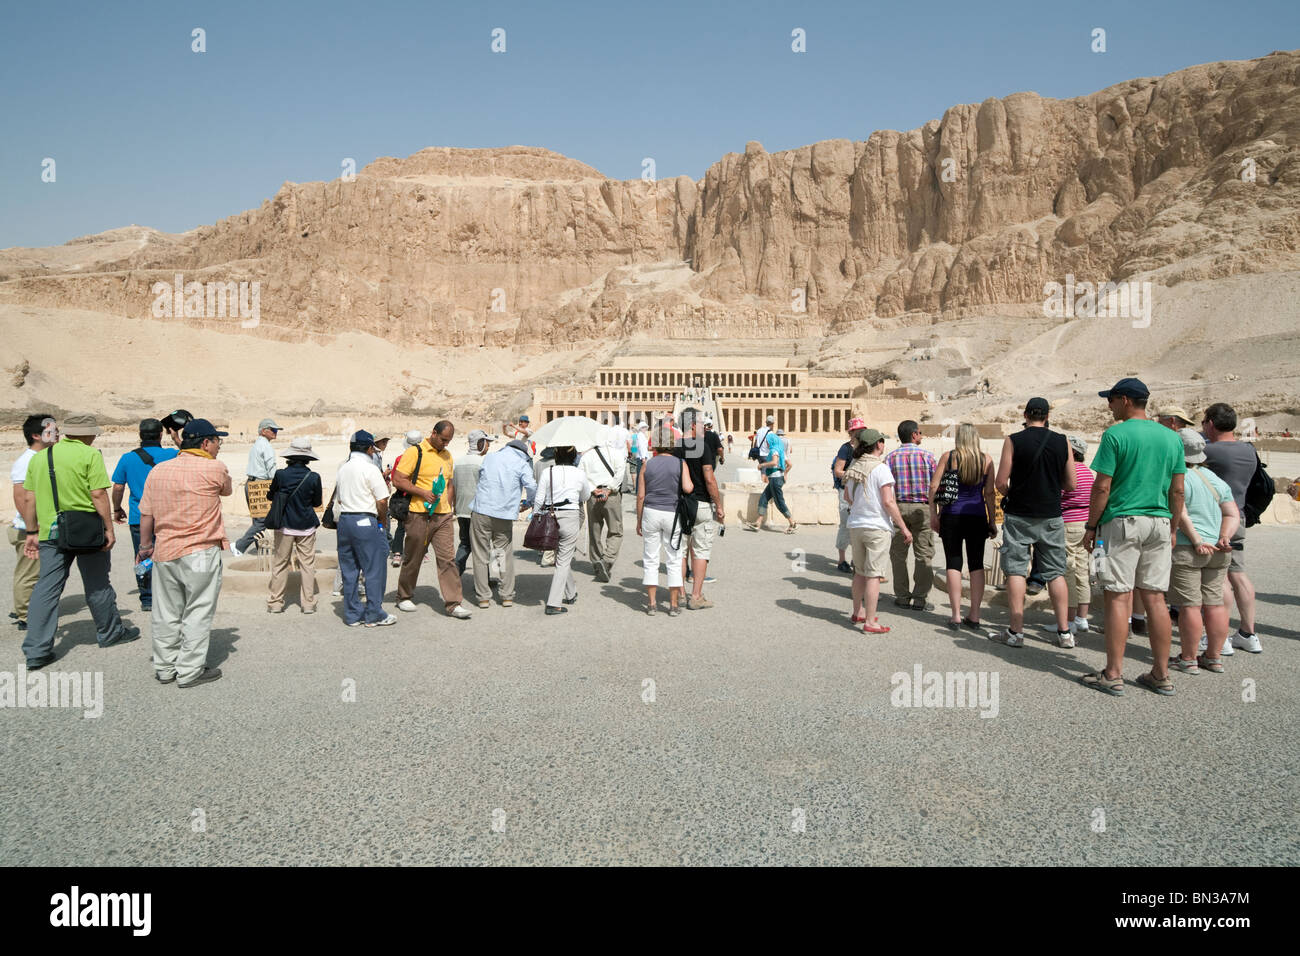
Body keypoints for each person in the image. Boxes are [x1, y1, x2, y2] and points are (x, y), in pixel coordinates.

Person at [1079, 378, 1186, 697]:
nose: (1108, 405)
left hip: (1123, 520)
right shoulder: (1171, 438)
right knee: (1155, 598)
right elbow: (1177, 489)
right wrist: (1174, 528)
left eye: (1110, 400)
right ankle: (1161, 673)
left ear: (1125, 400)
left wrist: (1090, 526)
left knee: (1118, 595)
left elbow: (1101, 487)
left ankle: (1113, 673)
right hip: (1159, 521)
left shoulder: (1115, 434)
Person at [20, 413, 138, 670]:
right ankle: (110, 632)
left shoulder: (41, 457)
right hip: (87, 531)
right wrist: (109, 528)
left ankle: (37, 650)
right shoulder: (89, 455)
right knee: (97, 584)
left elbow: (29, 499)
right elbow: (97, 493)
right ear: (86, 434)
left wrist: (31, 532)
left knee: (46, 588)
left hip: (50, 532)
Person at [135, 418, 233, 687]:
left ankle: (165, 667)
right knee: (197, 610)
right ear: (205, 442)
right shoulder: (214, 468)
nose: (219, 447)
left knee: (166, 611)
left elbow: (146, 513)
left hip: (165, 550)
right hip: (200, 550)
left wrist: (144, 547)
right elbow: (227, 489)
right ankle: (189, 671)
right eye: (217, 441)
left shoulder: (159, 470)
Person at [992, 398, 1076, 648]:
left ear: (1026, 414)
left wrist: (1014, 494)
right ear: (1048, 415)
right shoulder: (1063, 441)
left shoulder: (1013, 440)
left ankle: (1015, 632)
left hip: (1019, 514)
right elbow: (1071, 484)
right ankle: (1064, 633)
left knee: (1017, 569)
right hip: (1050, 514)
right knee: (1055, 572)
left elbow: (1000, 482)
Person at [1168, 428, 1238, 675]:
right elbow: (1231, 513)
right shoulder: (1213, 478)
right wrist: (1224, 536)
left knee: (1190, 605)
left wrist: (1197, 539)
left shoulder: (1177, 476)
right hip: (1219, 549)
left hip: (1190, 548)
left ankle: (1188, 658)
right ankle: (1213, 657)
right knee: (1215, 603)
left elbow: (1181, 511)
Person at [391, 420, 471, 619]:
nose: (446, 444)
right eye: (443, 439)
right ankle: (404, 596)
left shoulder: (447, 456)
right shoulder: (414, 452)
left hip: (442, 515)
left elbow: (449, 483)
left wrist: (449, 507)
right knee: (413, 556)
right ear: (433, 433)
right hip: (418, 513)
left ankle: (453, 603)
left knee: (448, 559)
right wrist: (422, 493)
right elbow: (398, 480)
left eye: (449, 441)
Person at [1202, 402, 1262, 654]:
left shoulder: (1210, 451)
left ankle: (1220, 636)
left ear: (1211, 424)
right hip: (1239, 516)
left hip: (1217, 520)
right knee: (1238, 574)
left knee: (1219, 579)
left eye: (1204, 422)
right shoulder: (1249, 450)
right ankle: (1248, 633)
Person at [929, 423, 996, 630]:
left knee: (953, 563)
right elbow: (990, 494)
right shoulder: (986, 460)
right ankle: (974, 615)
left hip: (952, 516)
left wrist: (933, 514)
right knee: (976, 564)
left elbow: (933, 486)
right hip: (976, 516)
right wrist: (992, 521)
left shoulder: (949, 457)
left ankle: (956, 614)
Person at [844, 427, 911, 633]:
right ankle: (870, 621)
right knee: (874, 575)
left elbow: (847, 497)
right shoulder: (881, 469)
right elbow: (889, 502)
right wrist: (904, 527)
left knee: (860, 572)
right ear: (878, 444)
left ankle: (858, 611)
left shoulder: (855, 467)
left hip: (856, 525)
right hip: (876, 527)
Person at [110, 418, 179, 612]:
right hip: (168, 514)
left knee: (143, 555)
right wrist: (177, 439)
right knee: (169, 556)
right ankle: (168, 595)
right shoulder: (173, 454)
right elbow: (193, 456)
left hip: (138, 516)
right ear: (160, 435)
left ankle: (147, 597)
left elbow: (118, 487)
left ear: (140, 435)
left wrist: (117, 508)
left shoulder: (127, 458)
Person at [333, 430, 395, 627]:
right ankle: (374, 614)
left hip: (345, 521)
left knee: (349, 569)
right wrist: (382, 523)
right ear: (369, 448)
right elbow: (382, 501)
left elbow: (340, 497)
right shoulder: (370, 469)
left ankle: (352, 614)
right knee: (374, 569)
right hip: (365, 520)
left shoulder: (343, 468)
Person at [468, 436, 536, 608]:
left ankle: (483, 597)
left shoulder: (490, 457)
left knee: (480, 554)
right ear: (523, 453)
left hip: (482, 509)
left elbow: (480, 477)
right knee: (501, 552)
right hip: (504, 513)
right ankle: (506, 595)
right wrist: (529, 503)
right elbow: (532, 486)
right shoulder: (521, 463)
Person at [637, 425, 692, 615]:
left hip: (651, 511)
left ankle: (651, 604)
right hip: (672, 512)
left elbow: (641, 496)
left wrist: (639, 520)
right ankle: (674, 605)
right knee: (674, 558)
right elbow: (688, 488)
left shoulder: (647, 464)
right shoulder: (680, 463)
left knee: (651, 558)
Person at [266, 437, 324, 614]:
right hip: (306, 525)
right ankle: (307, 603)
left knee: (280, 563)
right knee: (307, 565)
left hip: (284, 525)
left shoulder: (281, 475)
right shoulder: (313, 477)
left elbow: (271, 496)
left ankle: (276, 602)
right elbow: (316, 503)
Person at [9, 414, 55, 633]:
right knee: (29, 574)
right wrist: (33, 529)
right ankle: (25, 615)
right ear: (37, 435)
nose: (56, 433)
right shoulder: (27, 460)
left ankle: (26, 607)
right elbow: (21, 498)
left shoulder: (43, 456)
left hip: (37, 526)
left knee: (36, 572)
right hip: (27, 529)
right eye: (50, 430)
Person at [884, 419, 937, 610]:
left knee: (898, 555)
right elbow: (935, 486)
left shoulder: (890, 458)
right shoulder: (928, 457)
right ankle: (920, 598)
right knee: (924, 554)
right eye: (920, 432)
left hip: (897, 508)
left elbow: (886, 487)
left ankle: (902, 596)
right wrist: (935, 511)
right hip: (922, 509)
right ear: (914, 434)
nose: (921, 435)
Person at [678, 414, 724, 610]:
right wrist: (719, 505)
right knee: (701, 550)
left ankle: (680, 594)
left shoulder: (675, 447)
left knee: (680, 551)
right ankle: (695, 596)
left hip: (680, 504)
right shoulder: (702, 446)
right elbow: (710, 478)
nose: (704, 428)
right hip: (701, 503)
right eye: (701, 424)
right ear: (693, 425)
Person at [538, 446, 591, 614]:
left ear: (556, 455)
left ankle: (571, 592)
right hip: (570, 515)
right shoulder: (579, 473)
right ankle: (553, 603)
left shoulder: (548, 472)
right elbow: (586, 496)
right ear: (574, 456)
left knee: (561, 557)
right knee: (564, 558)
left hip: (550, 515)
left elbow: (539, 498)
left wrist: (536, 516)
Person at [1060, 435, 1096, 634]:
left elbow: (1060, 495)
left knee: (1068, 571)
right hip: (1084, 523)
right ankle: (1082, 618)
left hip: (1068, 523)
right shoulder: (1088, 472)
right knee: (1082, 570)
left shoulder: (1069, 471)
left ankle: (1070, 620)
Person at [580, 431, 627, 583]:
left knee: (595, 531)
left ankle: (596, 563)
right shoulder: (616, 453)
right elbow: (620, 472)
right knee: (616, 530)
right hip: (611, 496)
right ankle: (606, 560)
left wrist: (593, 488)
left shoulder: (586, 456)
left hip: (593, 495)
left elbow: (581, 476)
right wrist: (609, 489)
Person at [232, 417, 281, 555]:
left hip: (251, 483)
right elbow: (271, 470)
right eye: (273, 430)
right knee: (262, 522)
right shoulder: (266, 446)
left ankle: (261, 549)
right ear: (264, 431)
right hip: (260, 485)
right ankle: (239, 546)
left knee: (257, 520)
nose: (275, 432)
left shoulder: (257, 444)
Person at [454, 430, 495, 575]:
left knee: (465, 543)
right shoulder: (484, 462)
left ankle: (455, 573)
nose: (488, 447)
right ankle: (485, 579)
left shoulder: (457, 462)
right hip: (479, 511)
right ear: (480, 443)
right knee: (482, 546)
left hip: (461, 509)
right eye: (487, 443)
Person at [745, 427, 796, 533]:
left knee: (779, 502)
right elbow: (790, 464)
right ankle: (758, 523)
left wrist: (762, 465)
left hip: (775, 479)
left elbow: (774, 463)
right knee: (764, 498)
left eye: (767, 441)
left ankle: (792, 523)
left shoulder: (774, 450)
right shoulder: (780, 450)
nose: (766, 443)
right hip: (777, 477)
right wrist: (785, 474)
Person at [389, 430, 422, 566]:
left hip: (403, 496)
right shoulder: (424, 458)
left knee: (401, 526)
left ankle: (397, 553)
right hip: (419, 496)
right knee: (418, 526)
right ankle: (418, 553)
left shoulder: (400, 458)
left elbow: (394, 478)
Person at [832, 421, 858, 571]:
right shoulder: (845, 448)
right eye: (856, 430)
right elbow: (838, 470)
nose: (859, 433)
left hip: (858, 492)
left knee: (858, 524)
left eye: (861, 430)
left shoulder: (864, 449)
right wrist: (854, 475)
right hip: (845, 490)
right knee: (845, 524)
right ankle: (842, 560)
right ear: (851, 433)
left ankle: (856, 559)